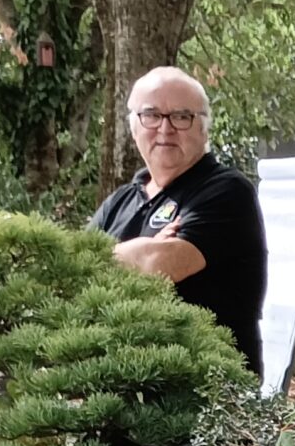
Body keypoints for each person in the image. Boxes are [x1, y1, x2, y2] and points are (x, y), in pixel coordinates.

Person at [90, 67, 269, 373]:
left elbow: (161, 265)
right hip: (123, 385)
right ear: (134, 128)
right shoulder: (120, 202)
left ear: (204, 128)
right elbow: (73, 272)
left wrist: (137, 257)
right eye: (151, 115)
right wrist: (137, 254)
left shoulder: (226, 191)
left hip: (208, 392)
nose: (165, 128)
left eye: (181, 116)